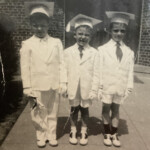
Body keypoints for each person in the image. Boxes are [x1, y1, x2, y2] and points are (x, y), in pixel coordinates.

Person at [20, 1, 66, 148]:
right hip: (35, 86)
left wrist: (63, 82)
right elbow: (24, 67)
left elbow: (62, 64)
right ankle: (40, 134)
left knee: (52, 111)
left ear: (48, 25)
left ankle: (51, 134)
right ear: (31, 25)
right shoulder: (27, 44)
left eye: (43, 25)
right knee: (36, 112)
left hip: (53, 84)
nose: (39, 28)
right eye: (35, 25)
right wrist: (27, 86)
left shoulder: (56, 42)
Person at [96, 11, 135, 147]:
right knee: (106, 109)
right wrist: (99, 87)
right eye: (116, 30)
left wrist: (128, 87)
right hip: (107, 85)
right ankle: (107, 132)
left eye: (122, 31)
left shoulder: (129, 52)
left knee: (116, 109)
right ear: (110, 31)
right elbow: (99, 70)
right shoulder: (102, 50)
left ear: (125, 32)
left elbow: (130, 71)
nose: (119, 33)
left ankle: (114, 133)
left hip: (120, 86)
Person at [64, 14, 101, 146]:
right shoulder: (68, 52)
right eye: (80, 34)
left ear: (90, 36)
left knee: (85, 110)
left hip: (86, 87)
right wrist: (64, 85)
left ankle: (84, 131)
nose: (82, 37)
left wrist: (94, 89)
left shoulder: (94, 53)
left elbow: (97, 73)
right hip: (73, 86)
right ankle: (73, 130)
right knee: (73, 109)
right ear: (75, 34)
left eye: (86, 35)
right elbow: (64, 70)